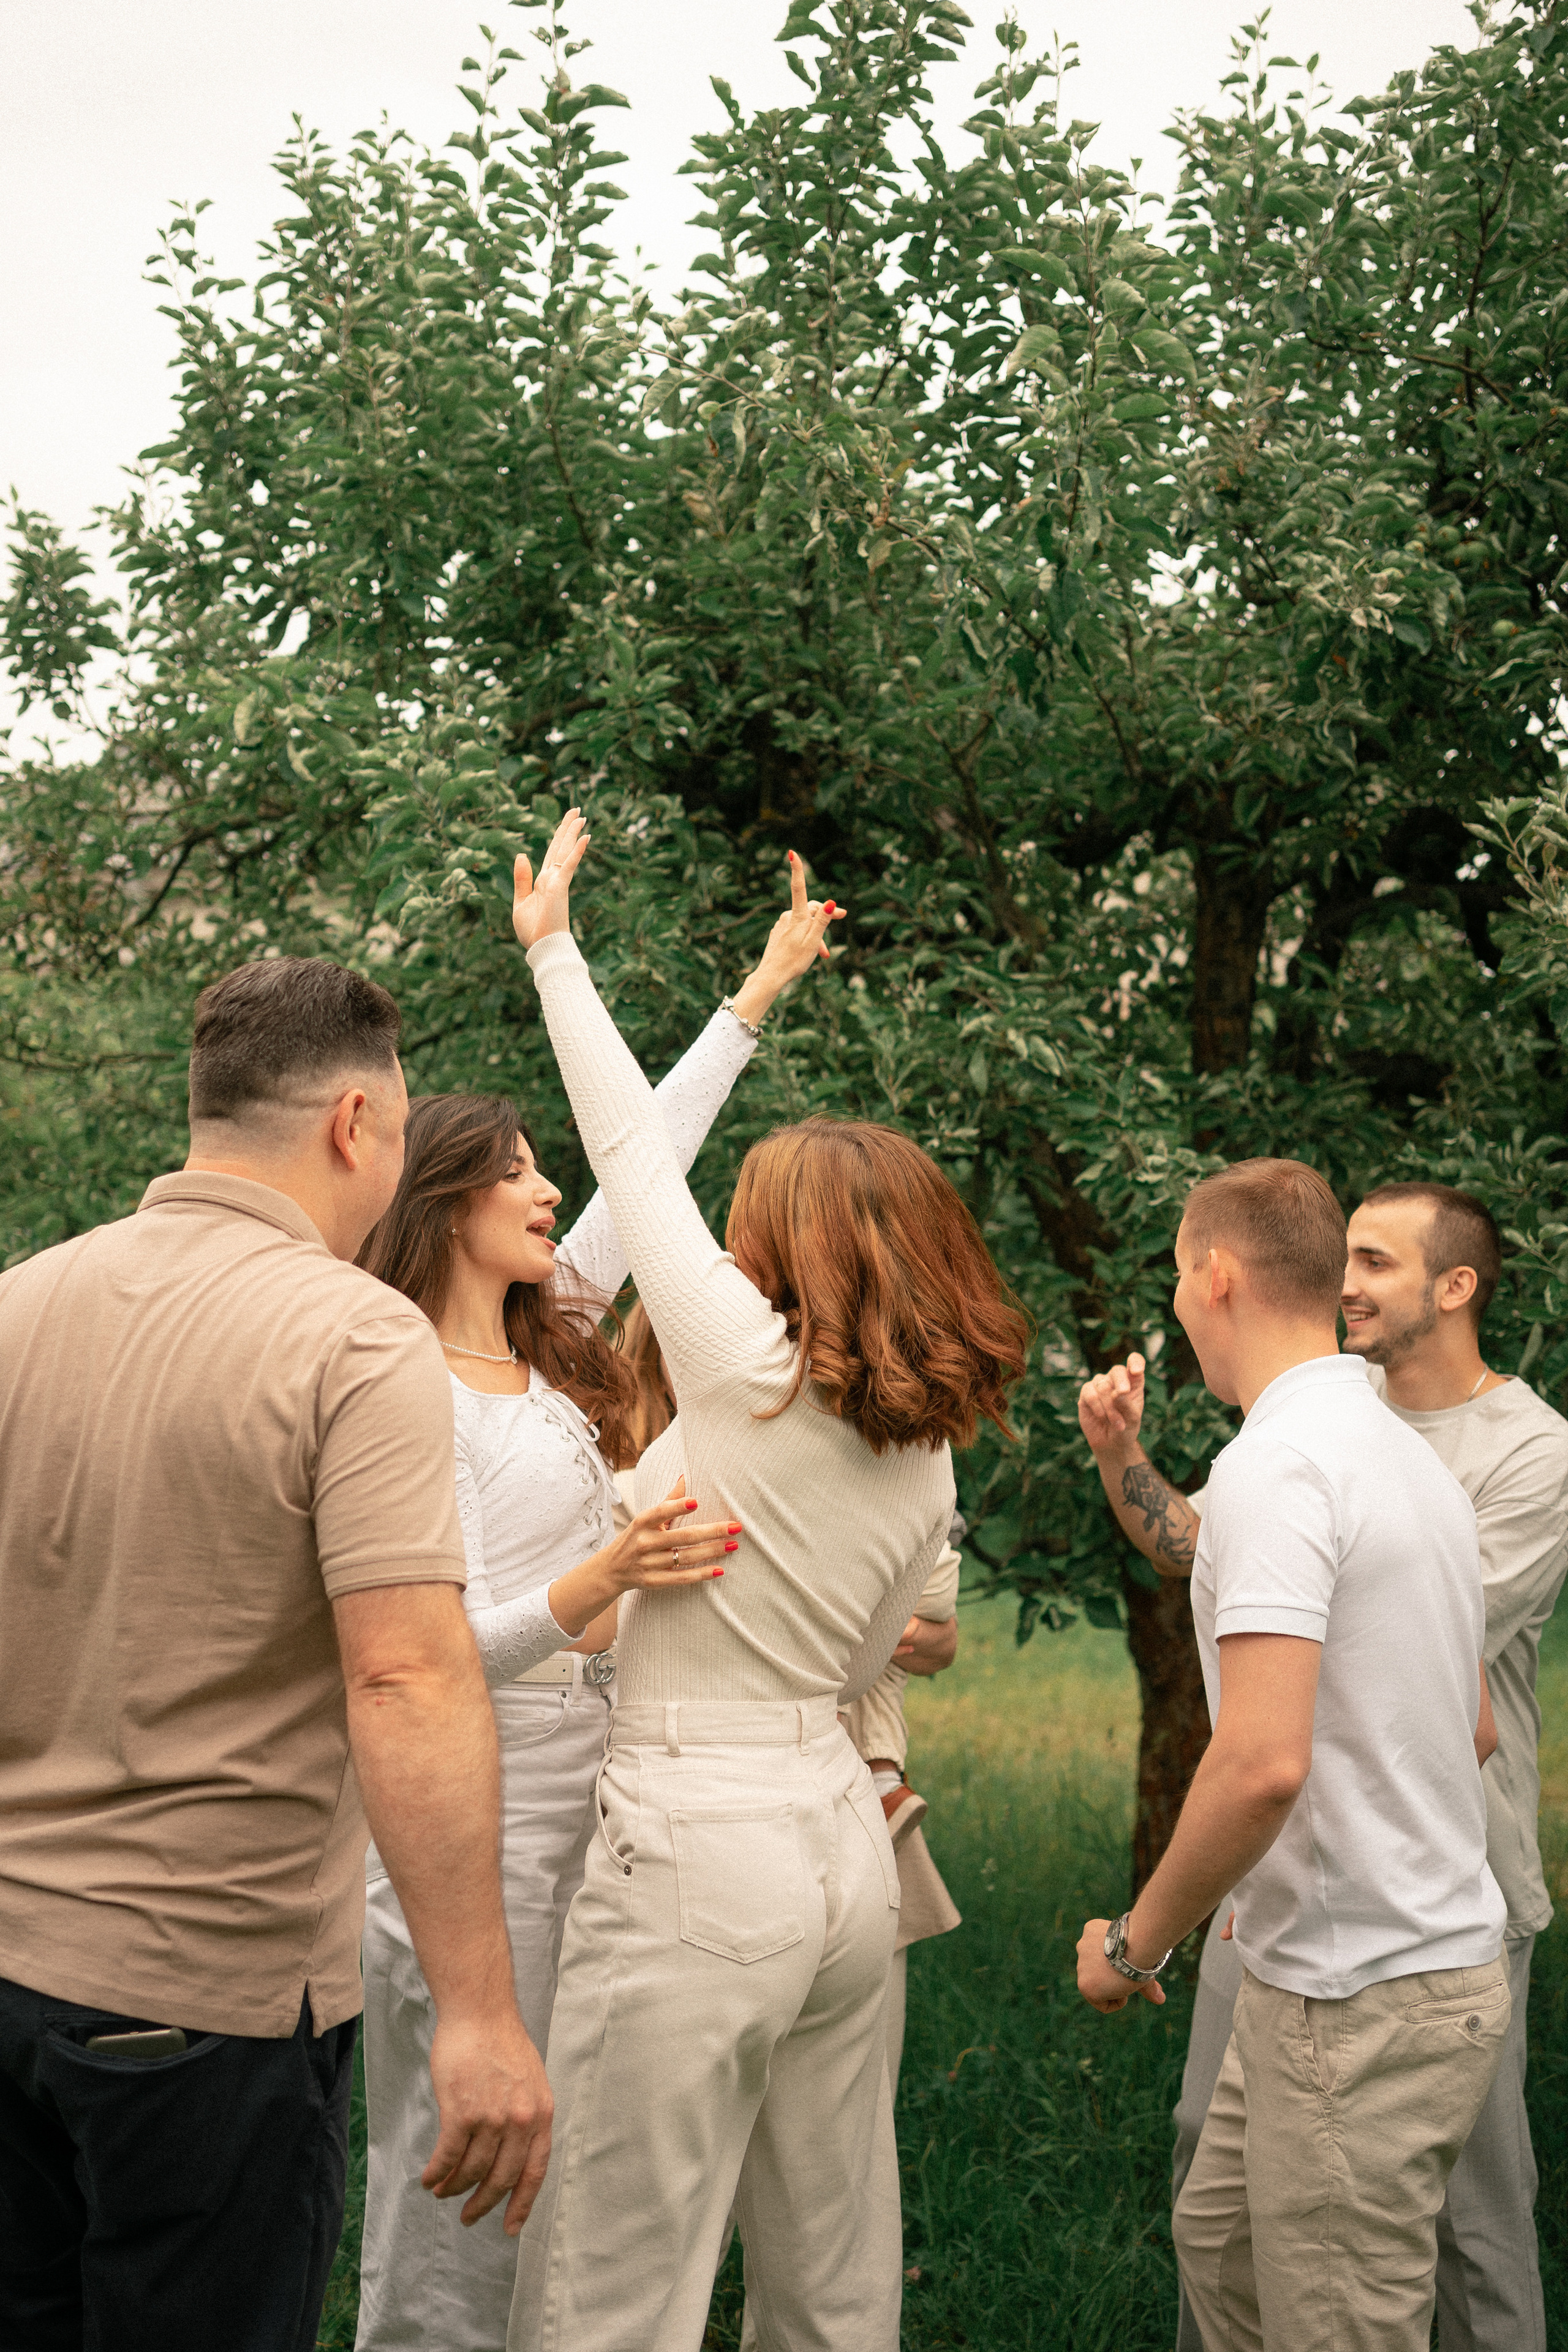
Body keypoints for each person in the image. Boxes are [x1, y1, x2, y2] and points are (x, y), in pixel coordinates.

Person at [505, 813, 1030, 2352]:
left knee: (615, 2274)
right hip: (839, 1848)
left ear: (784, 1246)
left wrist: (554, 950)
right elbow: (902, 1639)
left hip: (695, 1840)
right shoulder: (924, 1446)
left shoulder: (747, 1371)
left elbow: (619, 1153)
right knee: (835, 2262)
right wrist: (760, 985)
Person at [0, 957, 549, 2352]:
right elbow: (407, 1676)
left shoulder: (16, 1304)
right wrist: (479, 2017)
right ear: (355, 1125)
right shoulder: (354, 1332)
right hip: (206, 2006)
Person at [353, 864, 834, 2351]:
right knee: (453, 2166)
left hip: (592, 1808)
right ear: (445, 1199)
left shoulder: (545, 1322)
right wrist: (600, 1585)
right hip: (464, 1812)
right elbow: (421, 1655)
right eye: (514, 1169)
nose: (548, 1186)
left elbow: (648, 1160)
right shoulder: (397, 1386)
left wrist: (751, 1000)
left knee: (557, 2150)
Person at [1082, 1178, 1567, 2352]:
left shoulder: (1283, 1468)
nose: (1181, 1308)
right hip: (1350, 1966)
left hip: (1364, 1995)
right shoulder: (1396, 1457)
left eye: (1179, 1277)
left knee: (1341, 2321)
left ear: (1219, 1277)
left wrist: (1131, 1942)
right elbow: (1471, 1730)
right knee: (1224, 2244)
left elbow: (1259, 1764)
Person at [617, 1302, 965, 2107]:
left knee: (831, 2094)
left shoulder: (816, 1450)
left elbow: (936, 1626)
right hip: (708, 1790)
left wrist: (893, 1628)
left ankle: (885, 1772)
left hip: (824, 1775)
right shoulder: (649, 1475)